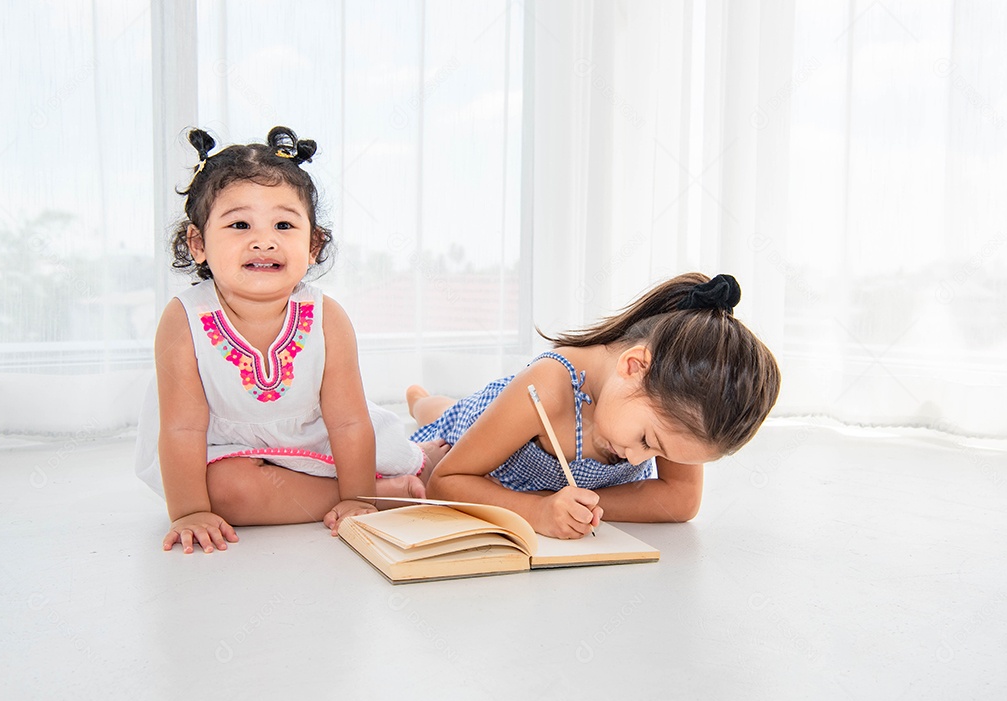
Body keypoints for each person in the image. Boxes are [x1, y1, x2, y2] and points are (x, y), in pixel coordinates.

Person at [135, 126, 447, 554]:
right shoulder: (184, 319)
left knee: (440, 468)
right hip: (227, 447)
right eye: (240, 224)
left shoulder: (325, 317)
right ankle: (388, 493)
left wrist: (359, 498)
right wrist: (190, 510)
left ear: (313, 243)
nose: (264, 240)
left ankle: (400, 466)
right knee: (225, 495)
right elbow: (183, 427)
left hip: (318, 436)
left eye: (284, 224)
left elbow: (349, 423)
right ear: (198, 242)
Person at [406, 272, 780, 539]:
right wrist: (536, 510)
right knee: (443, 413)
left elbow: (681, 500)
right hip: (482, 421)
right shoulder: (548, 390)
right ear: (633, 366)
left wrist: (581, 505)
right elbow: (446, 482)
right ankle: (420, 400)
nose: (638, 461)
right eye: (648, 441)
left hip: (526, 447)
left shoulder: (682, 404)